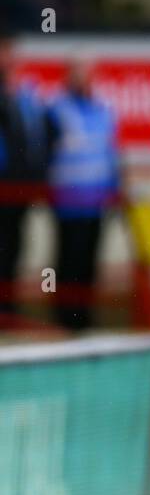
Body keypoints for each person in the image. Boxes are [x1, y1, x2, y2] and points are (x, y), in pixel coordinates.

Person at [47, 59, 119, 329]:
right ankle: (65, 319)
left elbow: (110, 153)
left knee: (89, 264)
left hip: (96, 201)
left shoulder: (103, 110)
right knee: (68, 262)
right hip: (67, 202)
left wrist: (114, 190)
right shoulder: (56, 109)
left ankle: (83, 318)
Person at [0, 35, 56, 318]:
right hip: (4, 184)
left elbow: (35, 137)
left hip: (18, 187)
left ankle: (8, 307)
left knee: (14, 245)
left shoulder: (25, 96)